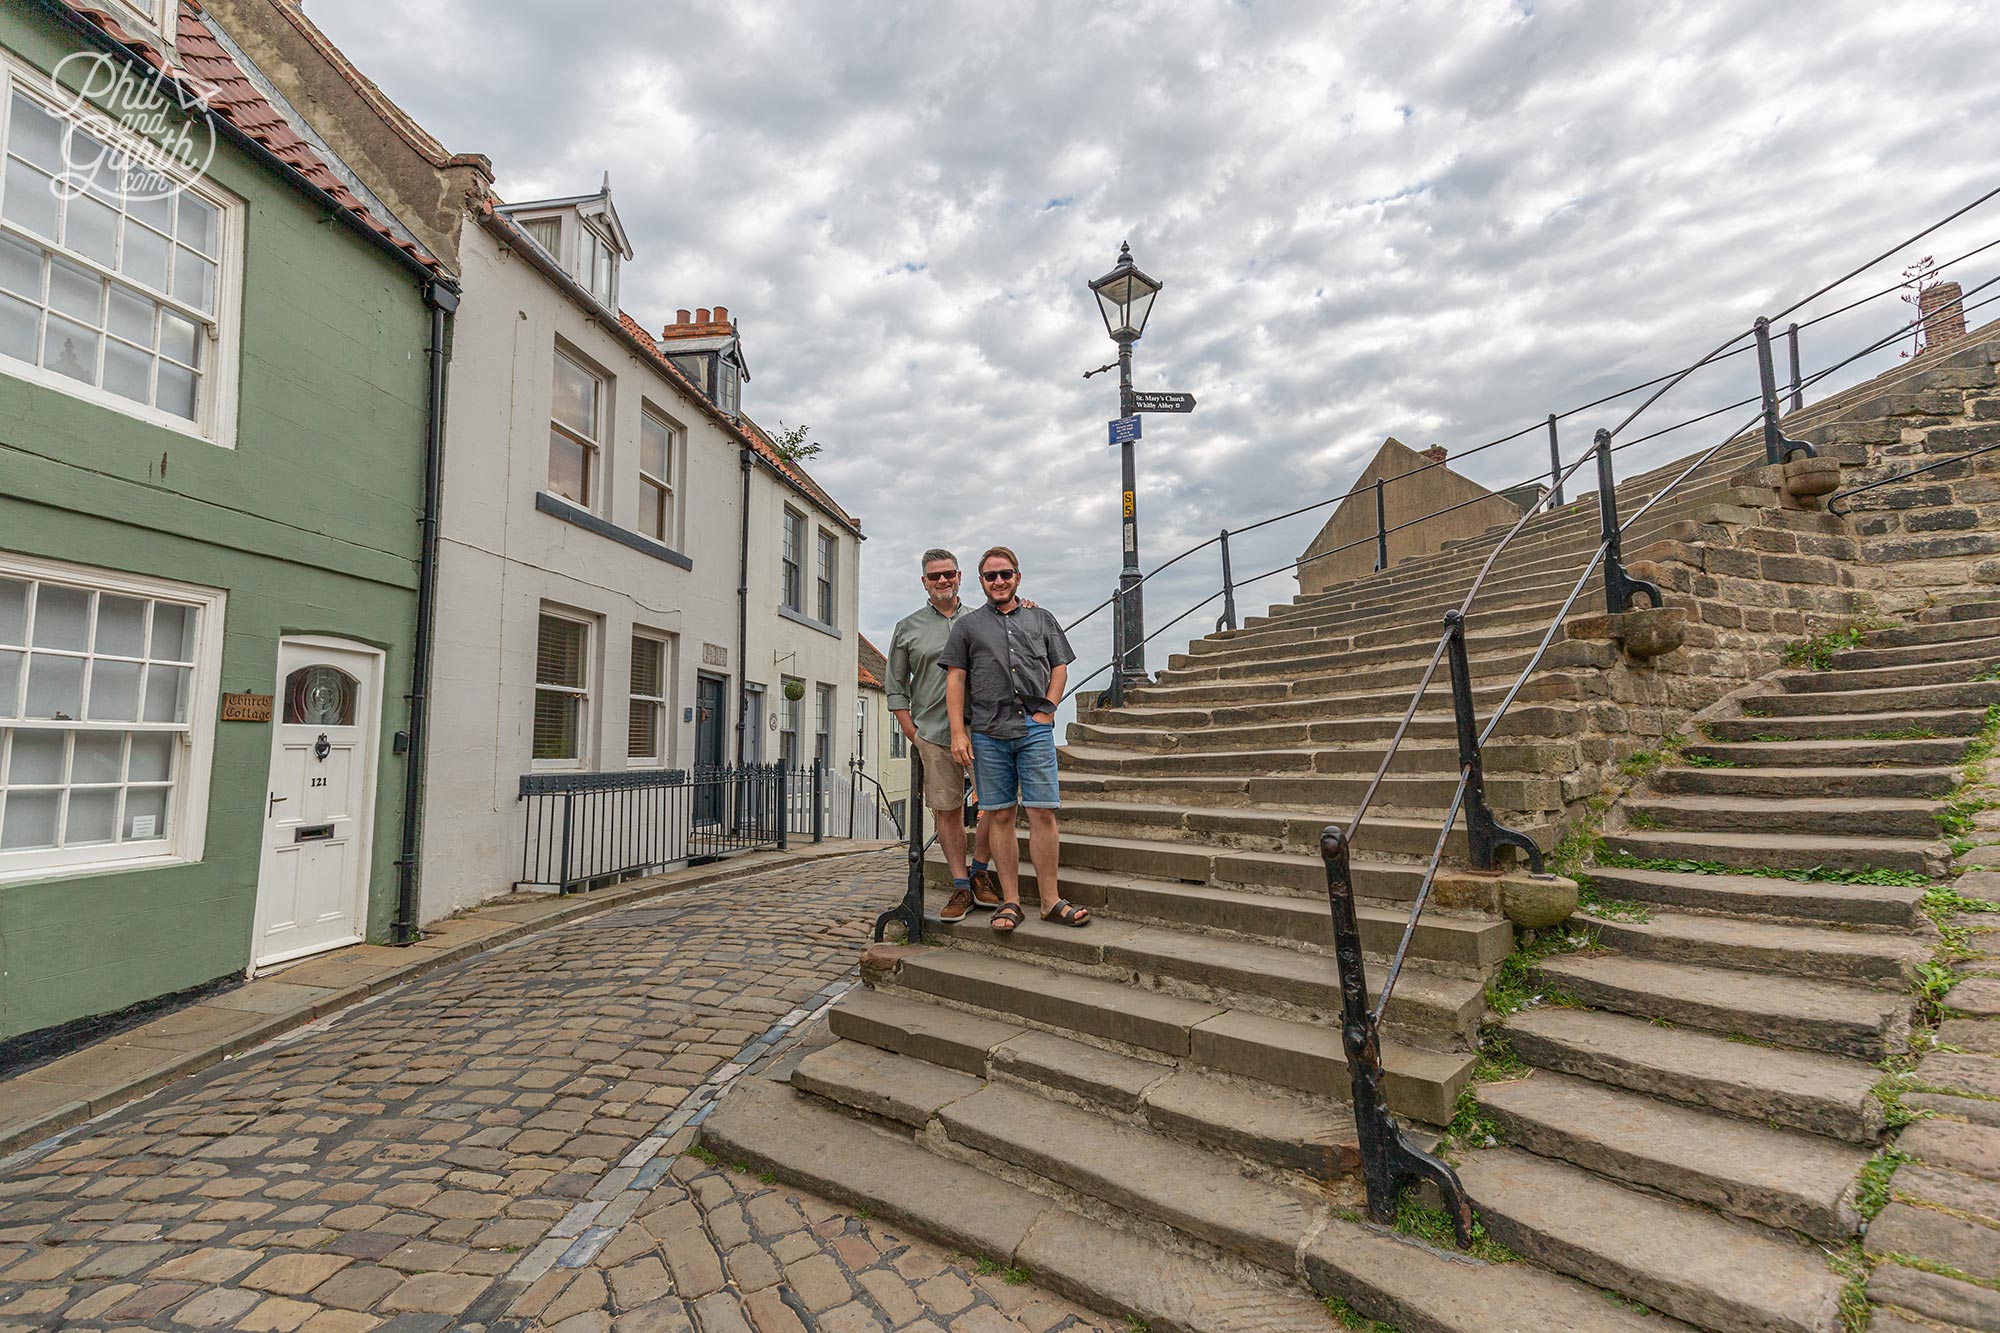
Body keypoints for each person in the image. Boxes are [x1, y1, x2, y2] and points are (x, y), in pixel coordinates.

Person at [941, 546, 1088, 931]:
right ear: (982, 582)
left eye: (1006, 574)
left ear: (1017, 577)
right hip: (988, 733)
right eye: (991, 576)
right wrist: (959, 732)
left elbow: (1060, 666)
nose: (999, 581)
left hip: (1033, 730)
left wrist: (1049, 709)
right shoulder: (968, 626)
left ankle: (1051, 901)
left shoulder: (1042, 618)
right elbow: (955, 678)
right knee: (1001, 814)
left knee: (1042, 811)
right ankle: (1010, 902)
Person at [887, 548, 1000, 922]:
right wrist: (911, 730)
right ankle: (960, 885)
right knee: (947, 809)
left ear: (960, 576)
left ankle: (980, 869)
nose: (943, 581)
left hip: (986, 727)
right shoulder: (908, 627)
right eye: (935, 576)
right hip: (933, 731)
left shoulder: (984, 618)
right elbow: (896, 685)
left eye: (948, 573)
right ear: (924, 582)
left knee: (995, 804)